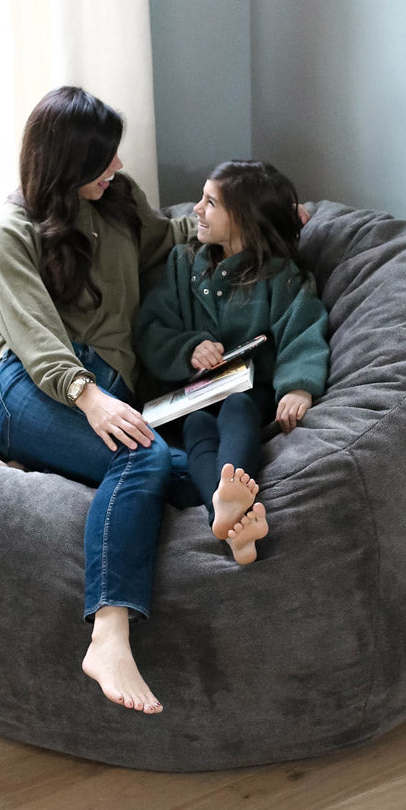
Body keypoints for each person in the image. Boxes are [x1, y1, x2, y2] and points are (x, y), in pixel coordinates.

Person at [0, 85, 197, 716]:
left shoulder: (117, 200)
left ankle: (26, 471)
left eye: (114, 157)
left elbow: (168, 239)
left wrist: (249, 222)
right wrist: (91, 400)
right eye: (101, 160)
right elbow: (36, 339)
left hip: (99, 389)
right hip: (29, 385)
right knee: (142, 460)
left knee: (183, 472)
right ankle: (109, 633)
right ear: (63, 165)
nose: (115, 167)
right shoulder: (12, 232)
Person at [134, 160, 329, 565]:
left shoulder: (283, 279)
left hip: (249, 393)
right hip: (193, 397)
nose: (195, 210)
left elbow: (303, 331)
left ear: (245, 219)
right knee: (197, 425)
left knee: (239, 406)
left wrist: (298, 386)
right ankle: (231, 517)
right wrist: (188, 347)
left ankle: (226, 511)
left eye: (210, 203)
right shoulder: (183, 264)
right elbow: (151, 327)